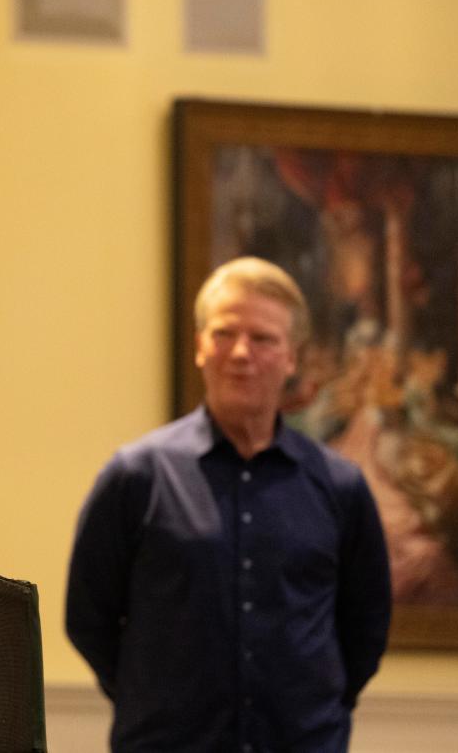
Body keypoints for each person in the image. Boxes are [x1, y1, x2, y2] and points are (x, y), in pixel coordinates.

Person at [66, 257, 391, 752]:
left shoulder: (341, 487)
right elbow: (88, 617)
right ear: (200, 346)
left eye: (263, 339)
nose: (241, 352)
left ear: (292, 358)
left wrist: (309, 708)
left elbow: (365, 628)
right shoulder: (136, 476)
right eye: (223, 334)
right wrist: (153, 697)